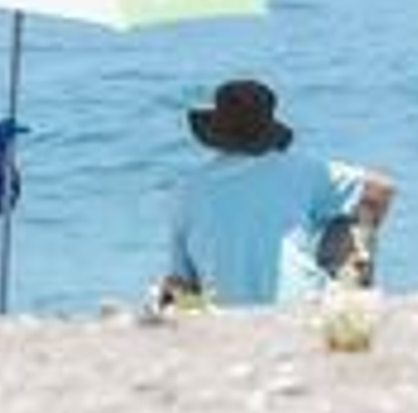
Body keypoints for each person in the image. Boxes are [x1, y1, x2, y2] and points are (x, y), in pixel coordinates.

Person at [161, 78, 395, 307]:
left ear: (217, 133)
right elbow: (381, 189)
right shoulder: (302, 169)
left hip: (223, 315)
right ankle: (348, 297)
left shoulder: (186, 189)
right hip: (306, 306)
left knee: (179, 280)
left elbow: (181, 281)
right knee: (352, 211)